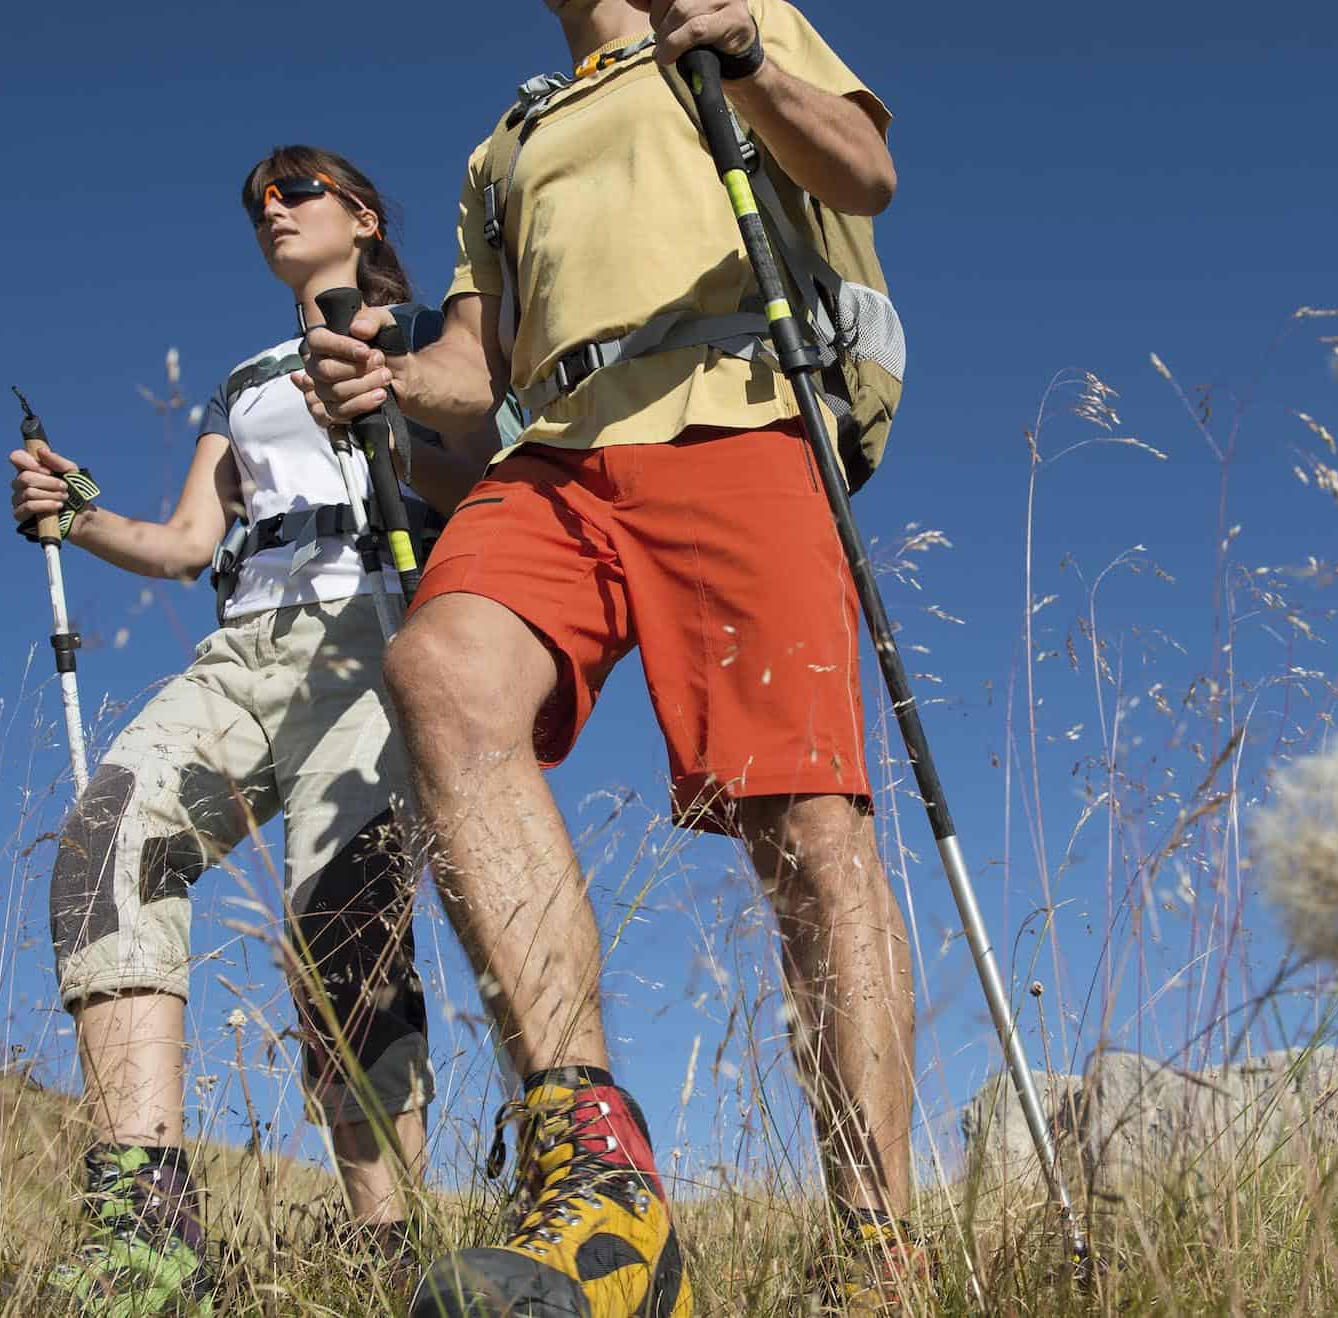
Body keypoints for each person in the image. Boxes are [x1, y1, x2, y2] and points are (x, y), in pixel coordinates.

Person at [297, 3, 921, 1312]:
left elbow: (863, 171)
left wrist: (742, 57)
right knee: (443, 672)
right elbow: (479, 363)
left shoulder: (736, 18)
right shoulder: (506, 142)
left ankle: (876, 1245)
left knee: (802, 824)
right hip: (559, 457)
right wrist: (394, 384)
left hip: (738, 415)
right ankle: (596, 1174)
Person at [6, 145, 498, 1313]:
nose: (271, 210)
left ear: (363, 215)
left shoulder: (431, 332)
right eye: (256, 202)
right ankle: (145, 1229)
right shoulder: (242, 379)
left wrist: (393, 390)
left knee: (343, 925)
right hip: (244, 646)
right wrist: (76, 515)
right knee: (105, 845)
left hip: (370, 632)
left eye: (297, 190)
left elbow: (483, 463)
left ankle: (390, 1251)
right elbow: (184, 543)